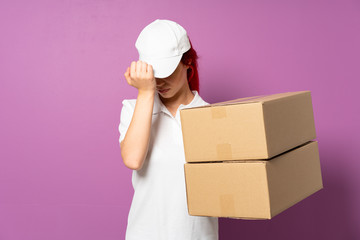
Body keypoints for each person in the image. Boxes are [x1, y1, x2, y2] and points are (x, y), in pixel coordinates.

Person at [118, 19, 218, 240]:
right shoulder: (133, 109)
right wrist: (145, 92)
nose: (160, 80)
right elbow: (133, 159)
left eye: (167, 71)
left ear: (187, 63)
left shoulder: (212, 117)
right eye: (153, 73)